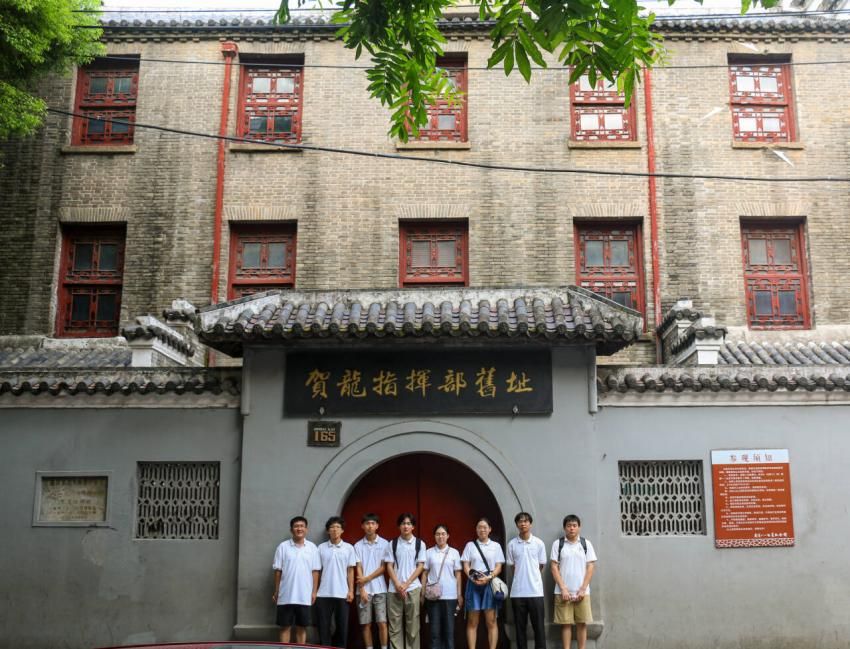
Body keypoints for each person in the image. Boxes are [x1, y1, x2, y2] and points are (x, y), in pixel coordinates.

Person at [550, 515, 597, 649]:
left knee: (582, 623)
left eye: (574, 525)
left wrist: (583, 588)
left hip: (582, 592)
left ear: (579, 527)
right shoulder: (558, 544)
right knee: (566, 624)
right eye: (569, 526)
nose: (572, 528)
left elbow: (591, 566)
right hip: (562, 592)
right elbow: (554, 567)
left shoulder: (586, 544)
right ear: (564, 528)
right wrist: (563, 588)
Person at [272, 515, 321, 644]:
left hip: (304, 595)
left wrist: (314, 592)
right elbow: (278, 570)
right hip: (285, 595)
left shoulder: (312, 548)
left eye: (302, 526)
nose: (299, 528)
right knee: (285, 627)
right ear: (291, 529)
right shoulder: (283, 547)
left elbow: (315, 571)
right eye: (296, 526)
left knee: (302, 627)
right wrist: (277, 591)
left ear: (306, 529)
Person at [383, 512, 427, 649]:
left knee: (413, 626)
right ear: (399, 526)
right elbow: (389, 566)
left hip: (413, 588)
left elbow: (420, 566)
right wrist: (398, 585)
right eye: (403, 523)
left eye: (408, 523)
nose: (406, 526)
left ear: (413, 526)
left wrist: (406, 584)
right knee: (394, 626)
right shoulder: (392, 544)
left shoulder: (420, 544)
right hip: (394, 590)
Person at [461, 517, 505, 649]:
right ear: (476, 529)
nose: (482, 530)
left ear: (490, 529)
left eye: (485, 527)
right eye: (479, 527)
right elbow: (466, 565)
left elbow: (499, 567)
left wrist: (489, 577)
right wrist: (472, 578)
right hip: (473, 583)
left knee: (491, 621)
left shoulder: (496, 546)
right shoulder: (470, 545)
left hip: (489, 584)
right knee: (472, 621)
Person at [506, 512, 547, 649]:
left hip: (536, 592)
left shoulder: (539, 543)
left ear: (530, 524)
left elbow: (541, 565)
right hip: (517, 593)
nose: (523, 524)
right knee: (520, 629)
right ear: (517, 524)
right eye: (520, 521)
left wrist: (532, 577)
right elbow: (512, 566)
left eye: (526, 521)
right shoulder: (512, 544)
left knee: (539, 628)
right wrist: (521, 577)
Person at [315, 516, 358, 648]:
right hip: (323, 593)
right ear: (328, 531)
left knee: (342, 626)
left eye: (338, 527)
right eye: (332, 527)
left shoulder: (349, 548)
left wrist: (351, 591)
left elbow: (350, 571)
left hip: (342, 593)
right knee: (323, 626)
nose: (335, 530)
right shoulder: (321, 548)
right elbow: (317, 571)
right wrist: (315, 591)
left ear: (342, 530)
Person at [421, 524, 463, 649]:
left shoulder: (454, 553)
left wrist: (459, 594)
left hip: (450, 596)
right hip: (433, 597)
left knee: (449, 631)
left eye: (443, 534)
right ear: (434, 536)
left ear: (448, 536)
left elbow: (458, 575)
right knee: (434, 631)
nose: (440, 536)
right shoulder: (429, 552)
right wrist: (422, 594)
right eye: (438, 534)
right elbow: (424, 574)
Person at [355, 513, 390, 649]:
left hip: (380, 589)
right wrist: (362, 589)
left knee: (382, 622)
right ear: (362, 526)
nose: (370, 526)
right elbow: (358, 567)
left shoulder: (385, 544)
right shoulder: (358, 545)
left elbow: (384, 567)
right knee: (366, 624)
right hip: (363, 591)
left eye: (372, 523)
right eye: (367, 523)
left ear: (377, 526)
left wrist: (367, 578)